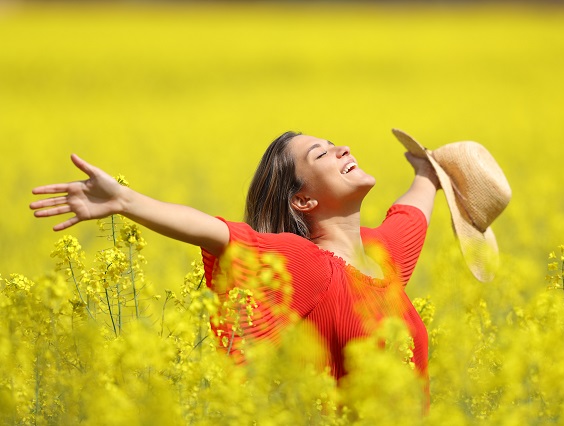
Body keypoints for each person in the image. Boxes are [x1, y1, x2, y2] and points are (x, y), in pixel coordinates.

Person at [30, 131, 440, 390]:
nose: (342, 148)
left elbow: (410, 215)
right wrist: (126, 201)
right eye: (322, 154)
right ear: (303, 200)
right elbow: (218, 233)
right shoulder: (308, 266)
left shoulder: (382, 257)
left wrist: (428, 172)